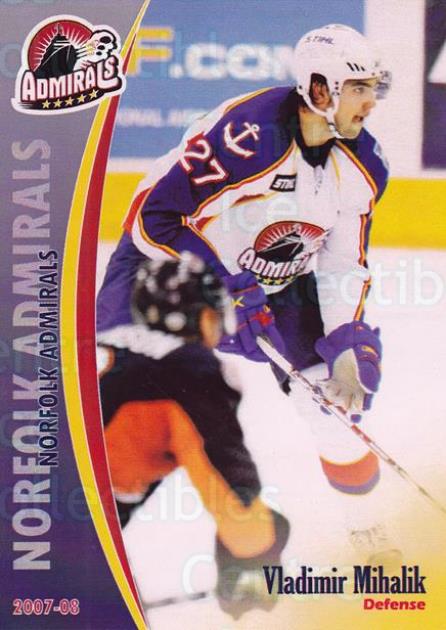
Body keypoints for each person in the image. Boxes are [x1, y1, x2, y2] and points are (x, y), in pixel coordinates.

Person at [97, 23, 399, 564]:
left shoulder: (365, 166)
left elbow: (342, 262)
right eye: (359, 88)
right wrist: (224, 281)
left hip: (276, 285)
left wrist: (345, 345)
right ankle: (86, 537)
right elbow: (153, 218)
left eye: (373, 88)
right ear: (320, 90)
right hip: (165, 274)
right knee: (129, 405)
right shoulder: (246, 136)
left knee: (330, 405)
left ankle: (368, 534)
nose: (370, 102)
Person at [97, 255, 290, 617]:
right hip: (46, 541)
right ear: (199, 318)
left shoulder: (101, 345)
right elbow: (228, 490)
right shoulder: (188, 370)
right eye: (214, 316)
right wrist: (255, 559)